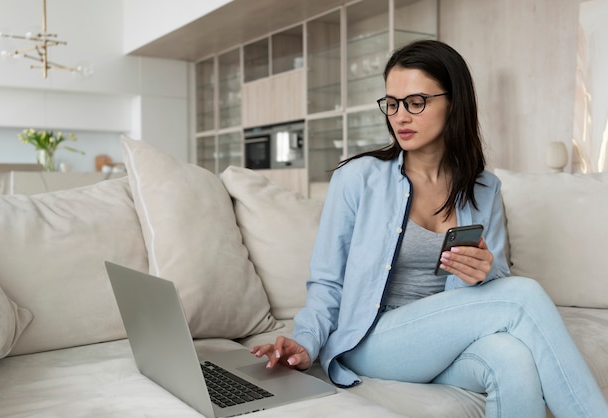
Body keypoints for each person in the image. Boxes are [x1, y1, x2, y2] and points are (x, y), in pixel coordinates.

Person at [251, 40, 608, 417]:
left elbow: (495, 279)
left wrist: (482, 271)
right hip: (373, 337)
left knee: (513, 359)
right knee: (523, 295)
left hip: (444, 336)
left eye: (416, 102)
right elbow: (327, 282)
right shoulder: (358, 178)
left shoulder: (484, 187)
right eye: (392, 103)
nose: (400, 117)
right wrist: (305, 341)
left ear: (453, 102)